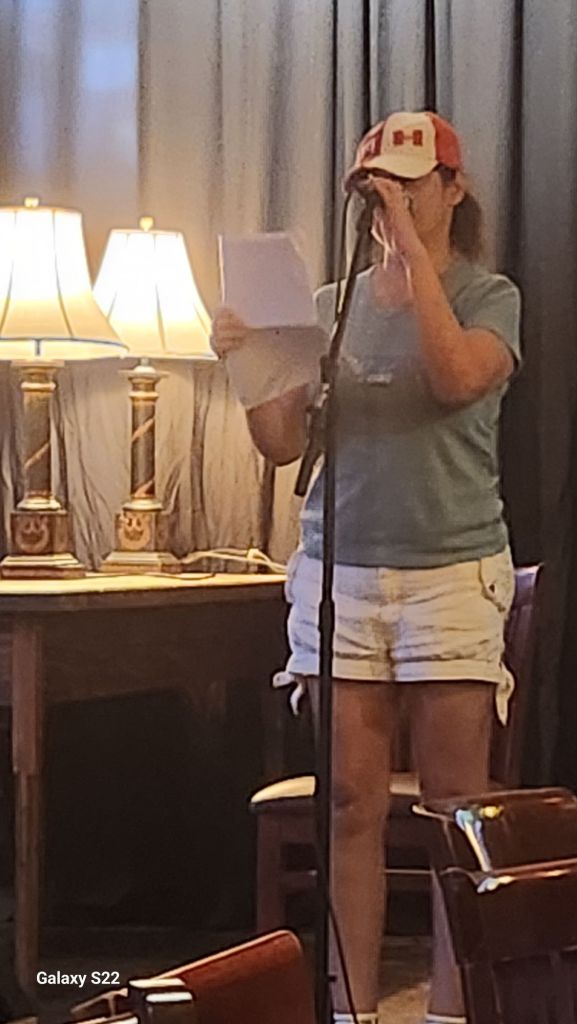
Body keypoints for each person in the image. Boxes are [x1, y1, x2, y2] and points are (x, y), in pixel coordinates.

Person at [211, 110, 521, 1024]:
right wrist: (246, 363)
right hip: (340, 574)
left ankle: (452, 1010)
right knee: (347, 801)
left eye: (409, 185)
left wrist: (411, 260)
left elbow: (455, 377)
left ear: (452, 190)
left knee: (454, 806)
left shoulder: (488, 294)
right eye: (373, 188)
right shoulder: (326, 307)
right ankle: (350, 1010)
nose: (388, 202)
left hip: (449, 572)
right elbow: (280, 443)